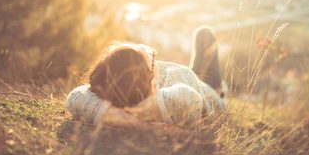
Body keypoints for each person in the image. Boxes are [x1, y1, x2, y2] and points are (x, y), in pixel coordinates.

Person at [66, 26, 227, 127]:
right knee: (205, 34)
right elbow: (188, 97)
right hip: (207, 88)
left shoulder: (122, 88)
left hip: (193, 77)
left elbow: (75, 97)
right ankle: (222, 91)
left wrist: (126, 116)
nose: (154, 54)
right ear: (151, 83)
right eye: (152, 59)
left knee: (202, 33)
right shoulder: (174, 101)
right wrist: (140, 123)